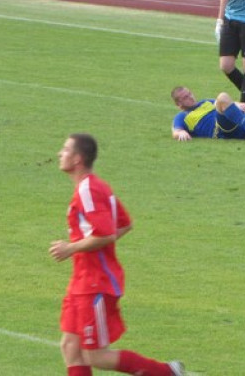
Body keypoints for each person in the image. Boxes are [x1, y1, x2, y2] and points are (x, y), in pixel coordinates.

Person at [49, 133, 184, 376]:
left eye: (65, 149)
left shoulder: (89, 190)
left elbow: (106, 234)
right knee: (70, 346)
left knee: (95, 355)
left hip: (95, 283)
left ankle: (167, 372)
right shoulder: (94, 186)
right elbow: (123, 224)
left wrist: (72, 248)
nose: (60, 153)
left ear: (78, 159)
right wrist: (89, 247)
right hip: (81, 281)